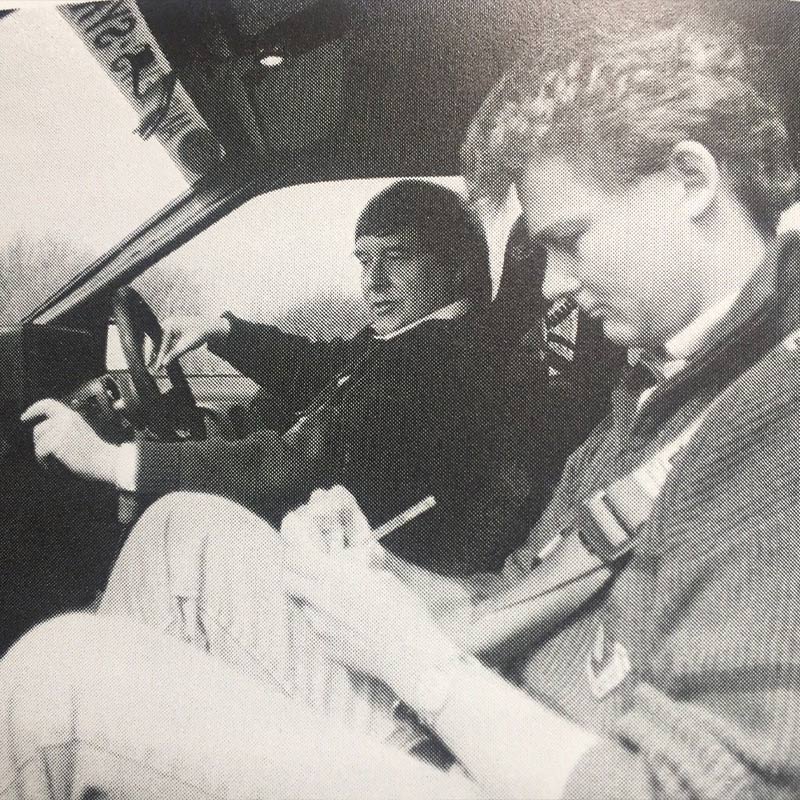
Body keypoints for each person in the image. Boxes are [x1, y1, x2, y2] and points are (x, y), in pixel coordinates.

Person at [4, 16, 800, 799]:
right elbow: (517, 591)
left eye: (573, 239)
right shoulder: (654, 395)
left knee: (57, 687)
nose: (553, 286)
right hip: (479, 712)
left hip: (503, 757)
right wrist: (389, 579)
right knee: (186, 534)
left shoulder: (778, 440)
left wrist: (416, 661)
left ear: (690, 181)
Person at [21, 180, 511, 571]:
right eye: (365, 261)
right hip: (353, 548)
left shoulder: (439, 360)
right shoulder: (417, 340)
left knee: (167, 534)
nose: (373, 282)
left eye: (396, 258)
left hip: (384, 575)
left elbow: (288, 466)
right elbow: (322, 366)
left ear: (451, 267)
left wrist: (108, 460)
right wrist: (222, 331)